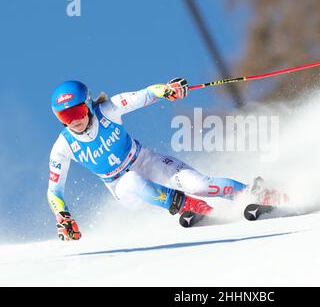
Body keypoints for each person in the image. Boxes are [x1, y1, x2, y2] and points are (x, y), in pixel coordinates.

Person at [48, 79, 285, 241]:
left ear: (88, 105)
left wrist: (168, 89)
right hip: (122, 187)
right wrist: (63, 217)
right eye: (65, 116)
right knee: (129, 181)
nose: (73, 121)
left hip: (145, 160)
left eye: (77, 112)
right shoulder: (63, 146)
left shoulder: (108, 111)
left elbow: (145, 95)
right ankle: (191, 206)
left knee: (199, 185)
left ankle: (257, 193)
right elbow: (54, 192)